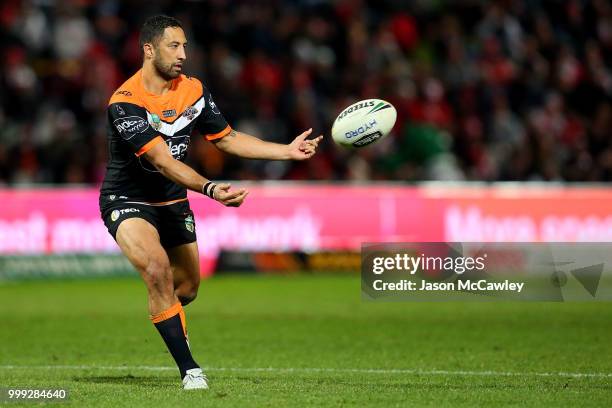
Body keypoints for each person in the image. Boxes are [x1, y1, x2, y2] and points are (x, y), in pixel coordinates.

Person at [99, 15, 322, 390]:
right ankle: (190, 370)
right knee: (157, 270)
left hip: (171, 201)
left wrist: (286, 151)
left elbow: (227, 138)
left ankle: (164, 311)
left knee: (184, 290)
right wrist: (211, 189)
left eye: (185, 45)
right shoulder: (125, 102)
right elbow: (162, 161)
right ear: (149, 50)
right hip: (127, 198)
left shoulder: (194, 90)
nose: (184, 53)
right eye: (174, 46)